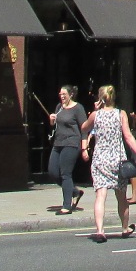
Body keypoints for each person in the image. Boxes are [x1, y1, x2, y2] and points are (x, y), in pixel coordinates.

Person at [79, 84, 136, 242]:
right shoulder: (120, 114)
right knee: (121, 197)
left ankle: (100, 230)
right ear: (114, 97)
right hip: (117, 159)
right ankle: (125, 228)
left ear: (100, 98)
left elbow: (83, 128)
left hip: (100, 159)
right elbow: (128, 136)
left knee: (100, 195)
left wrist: (94, 110)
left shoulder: (95, 115)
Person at [47, 85, 87, 214]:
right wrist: (52, 121)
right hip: (58, 142)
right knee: (53, 171)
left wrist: (84, 147)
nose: (62, 96)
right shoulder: (59, 107)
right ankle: (75, 192)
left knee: (66, 174)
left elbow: (84, 128)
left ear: (71, 94)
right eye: (60, 94)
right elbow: (55, 125)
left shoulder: (78, 108)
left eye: (64, 94)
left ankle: (66, 205)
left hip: (71, 143)